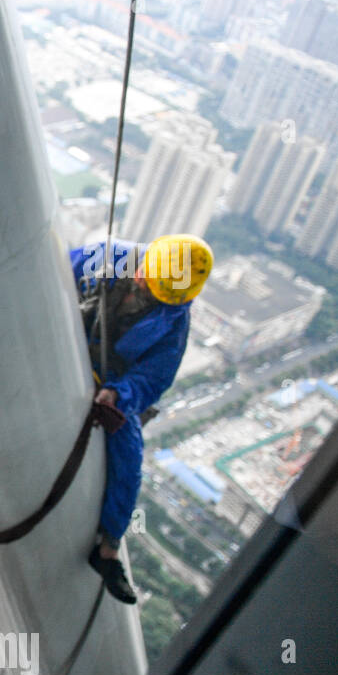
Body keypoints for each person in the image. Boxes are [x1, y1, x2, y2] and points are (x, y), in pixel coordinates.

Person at [70, 233, 213, 604]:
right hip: (64, 340)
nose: (141, 283)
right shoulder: (107, 257)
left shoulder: (173, 323)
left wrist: (119, 395)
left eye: (152, 286)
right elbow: (50, 278)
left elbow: (152, 378)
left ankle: (108, 549)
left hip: (110, 380)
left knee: (129, 459)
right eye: (145, 276)